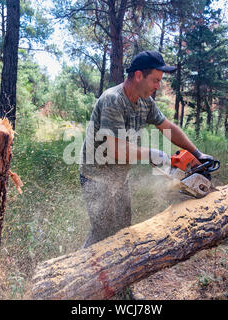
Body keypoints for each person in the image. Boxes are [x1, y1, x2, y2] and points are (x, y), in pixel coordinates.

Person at [79, 50, 214, 249]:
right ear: (138, 75)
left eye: (160, 81)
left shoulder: (145, 102)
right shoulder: (113, 100)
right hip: (96, 177)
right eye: (155, 80)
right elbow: (116, 149)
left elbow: (168, 127)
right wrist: (152, 154)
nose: (158, 86)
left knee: (123, 230)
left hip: (119, 176)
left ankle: (116, 274)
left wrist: (196, 153)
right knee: (103, 233)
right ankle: (78, 273)